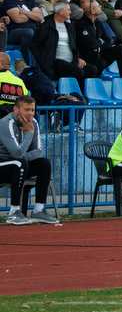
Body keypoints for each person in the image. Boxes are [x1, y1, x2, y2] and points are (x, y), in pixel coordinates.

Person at [0, 95, 57, 225]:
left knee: (44, 163)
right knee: (20, 163)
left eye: (32, 110)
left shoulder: (33, 123)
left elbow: (38, 151)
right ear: (16, 110)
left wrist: (20, 155)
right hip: (2, 165)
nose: (30, 113)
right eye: (26, 110)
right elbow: (18, 153)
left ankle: (38, 210)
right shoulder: (6, 123)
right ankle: (13, 212)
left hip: (17, 164)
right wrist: (29, 134)